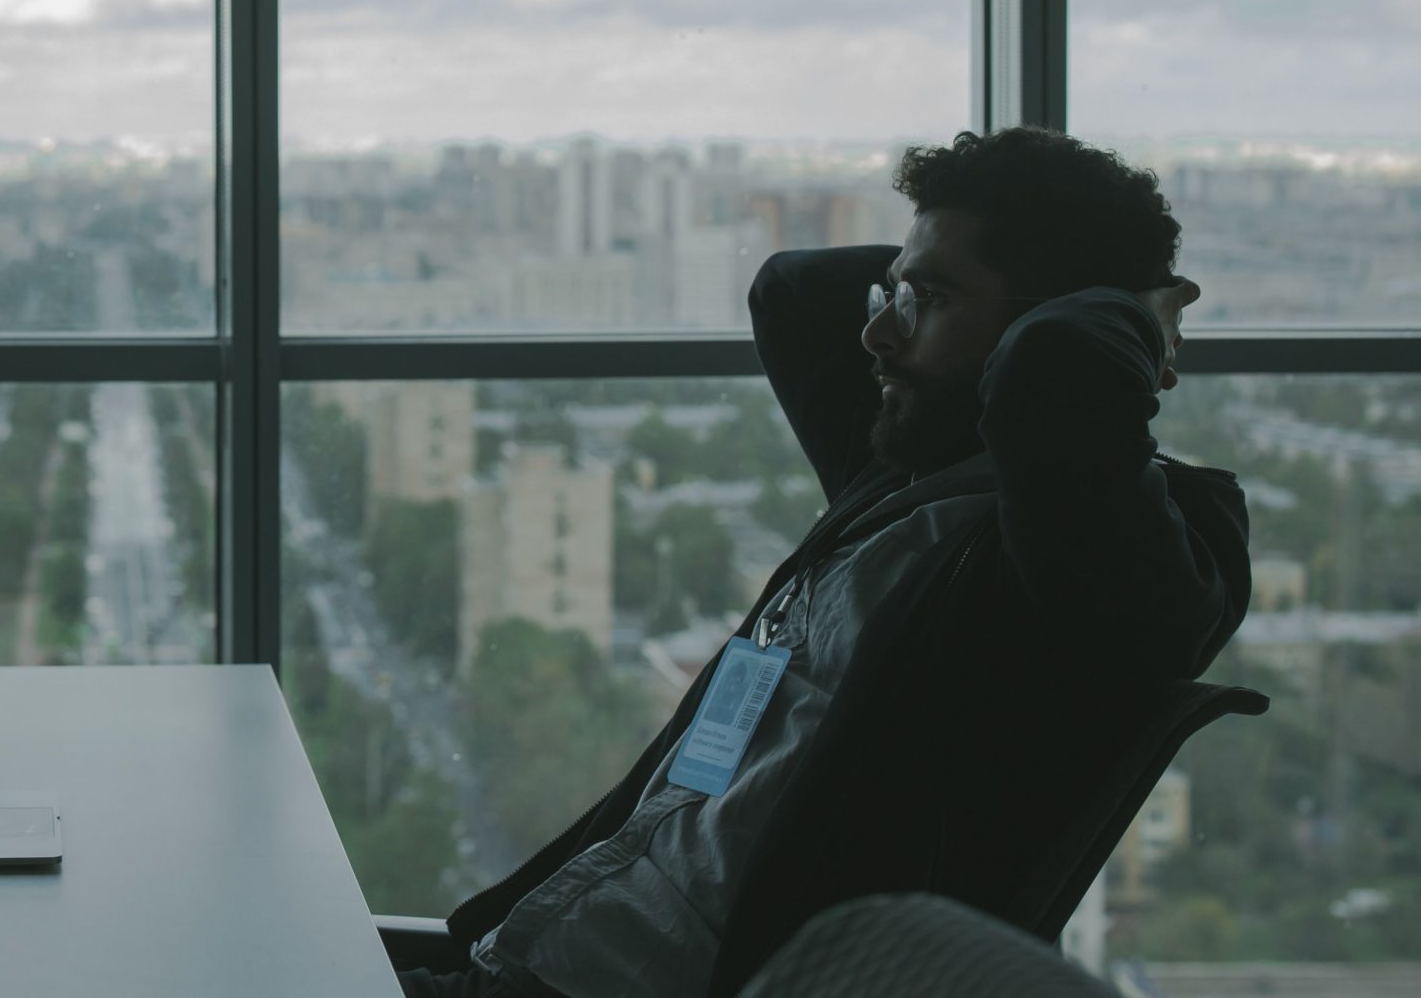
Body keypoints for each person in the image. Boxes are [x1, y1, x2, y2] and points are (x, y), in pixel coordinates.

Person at [395, 127, 1251, 998]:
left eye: (928, 302)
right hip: (526, 957)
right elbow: (792, 290)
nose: (878, 332)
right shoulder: (896, 477)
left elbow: (1050, 373)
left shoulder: (1098, 564)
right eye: (895, 295)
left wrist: (1126, 310)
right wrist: (943, 284)